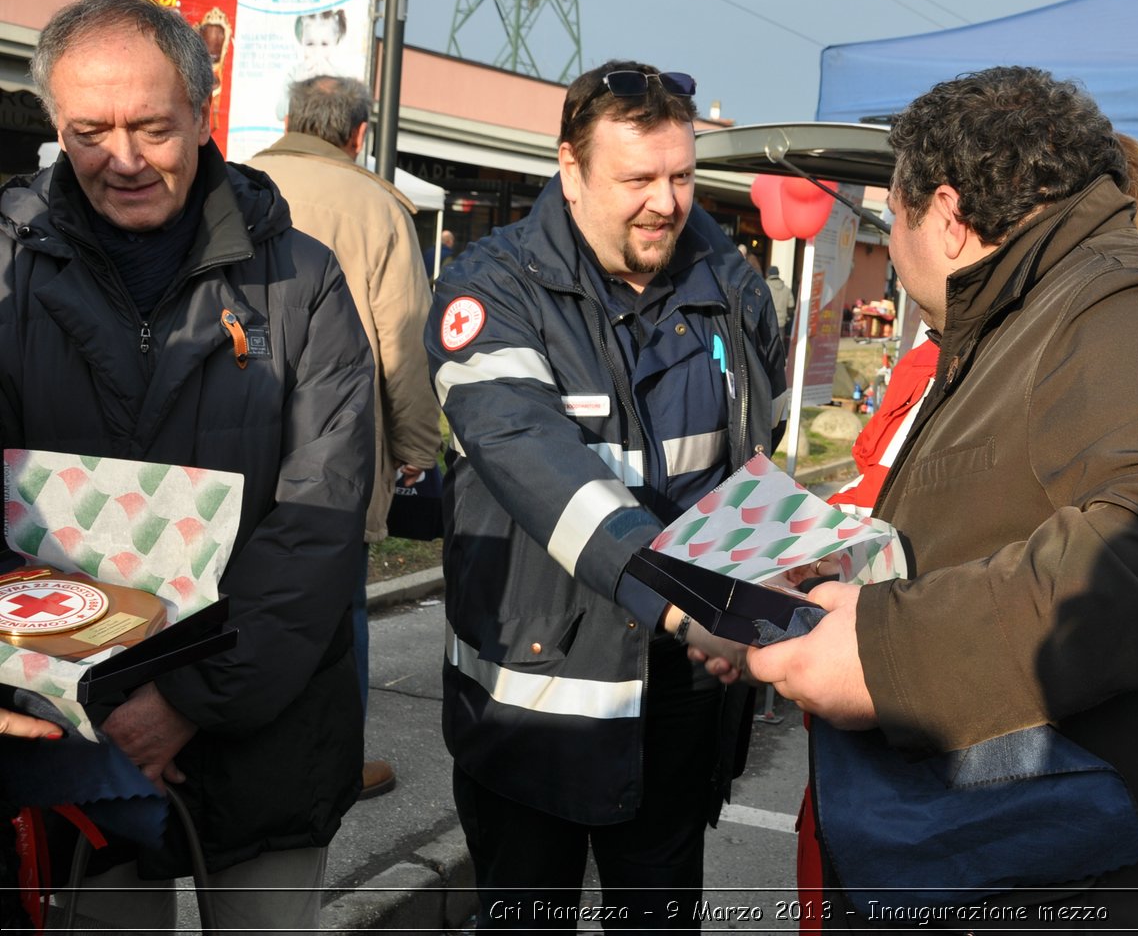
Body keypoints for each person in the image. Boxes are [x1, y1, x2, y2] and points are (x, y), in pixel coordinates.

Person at [748, 67, 1138, 931]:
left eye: (895, 215)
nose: (894, 238)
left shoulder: (1132, 309)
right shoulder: (1026, 318)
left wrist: (889, 653)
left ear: (947, 216)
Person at [3, 0, 373, 932]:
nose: (122, 159)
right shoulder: (7, 272)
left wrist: (186, 700)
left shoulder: (302, 281)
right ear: (55, 124)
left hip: (270, 730)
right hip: (72, 735)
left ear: (204, 114)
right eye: (89, 131)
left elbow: (318, 521)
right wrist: (84, 694)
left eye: (152, 127)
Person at [789, 127, 1138, 930]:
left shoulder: (1110, 357)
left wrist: (891, 636)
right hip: (869, 742)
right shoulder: (936, 360)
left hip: (967, 776)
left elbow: (1092, 567)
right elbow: (886, 501)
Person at [426, 59, 786, 930]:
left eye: (682, 175)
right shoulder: (491, 288)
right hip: (537, 702)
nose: (667, 202)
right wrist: (686, 597)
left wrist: (760, 591)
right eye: (637, 179)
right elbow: (532, 459)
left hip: (681, 698)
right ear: (570, 167)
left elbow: (755, 461)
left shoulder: (732, 286)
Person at [247, 75, 440, 802]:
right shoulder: (377, 208)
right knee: (339, 605)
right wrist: (418, 446)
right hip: (339, 440)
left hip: (233, 430)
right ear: (359, 134)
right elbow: (403, 341)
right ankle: (339, 759)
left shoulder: (236, 180)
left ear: (289, 118)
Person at [764, 264, 795, 338]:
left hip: (767, 322)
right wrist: (787, 317)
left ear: (768, 274)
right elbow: (791, 305)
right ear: (778, 274)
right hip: (781, 322)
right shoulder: (786, 289)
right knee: (780, 345)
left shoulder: (765, 286)